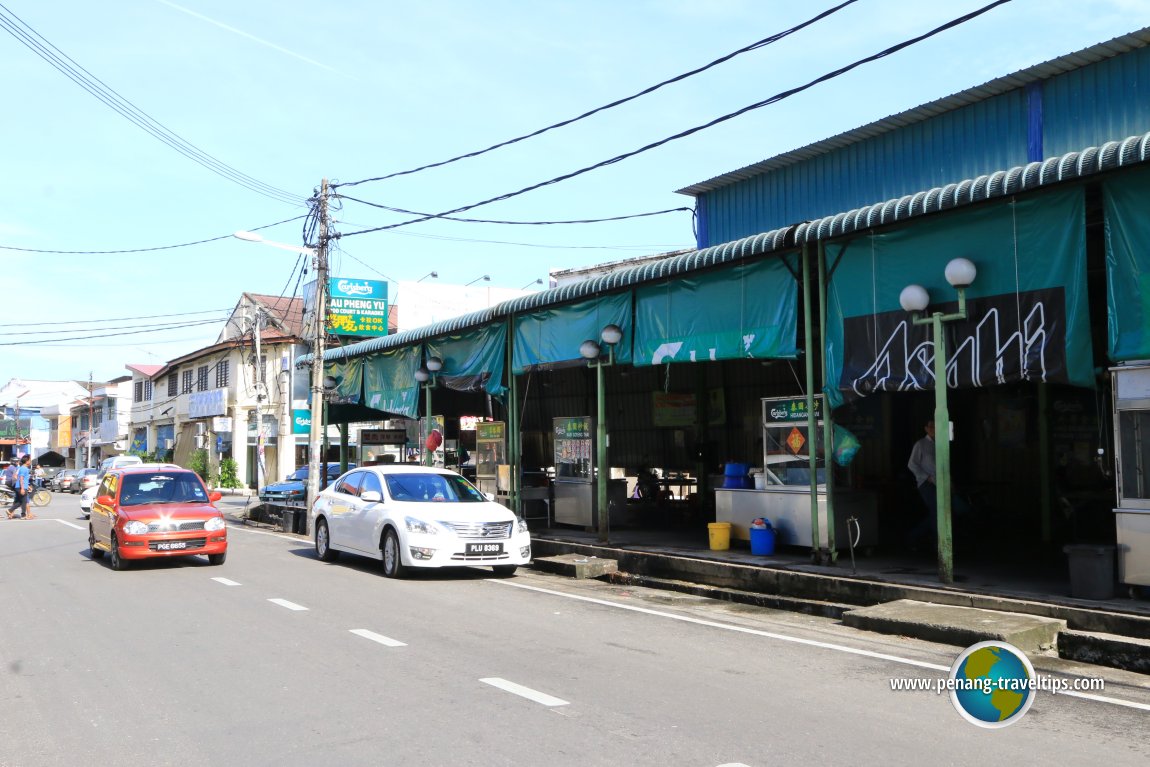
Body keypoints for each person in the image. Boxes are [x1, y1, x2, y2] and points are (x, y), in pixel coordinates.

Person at [7, 455, 33, 520]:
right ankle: (22, 515)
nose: (30, 461)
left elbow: (21, 478)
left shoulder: (21, 468)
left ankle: (12, 511)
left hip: (20, 486)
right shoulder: (24, 468)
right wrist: (22, 488)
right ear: (26, 461)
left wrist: (28, 486)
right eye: (29, 460)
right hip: (21, 487)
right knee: (23, 501)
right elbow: (21, 478)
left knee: (20, 501)